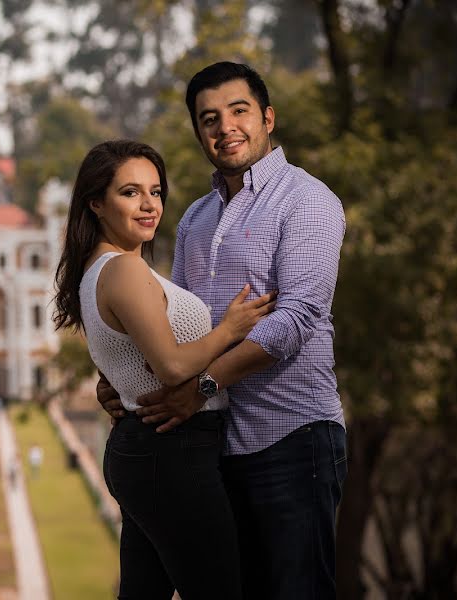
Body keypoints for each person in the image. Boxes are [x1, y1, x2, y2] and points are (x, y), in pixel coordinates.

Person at [97, 62, 348, 599]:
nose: (225, 127)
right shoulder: (194, 219)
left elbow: (295, 322)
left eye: (239, 111)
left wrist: (203, 385)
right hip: (215, 447)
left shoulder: (309, 201)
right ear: (198, 133)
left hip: (292, 438)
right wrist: (122, 378)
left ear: (268, 118)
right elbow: (178, 327)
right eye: (209, 118)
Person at [53, 139, 276, 599]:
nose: (149, 205)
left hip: (150, 450)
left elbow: (131, 361)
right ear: (96, 203)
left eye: (155, 192)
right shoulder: (123, 271)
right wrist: (231, 327)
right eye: (130, 192)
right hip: (171, 451)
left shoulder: (104, 270)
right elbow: (173, 366)